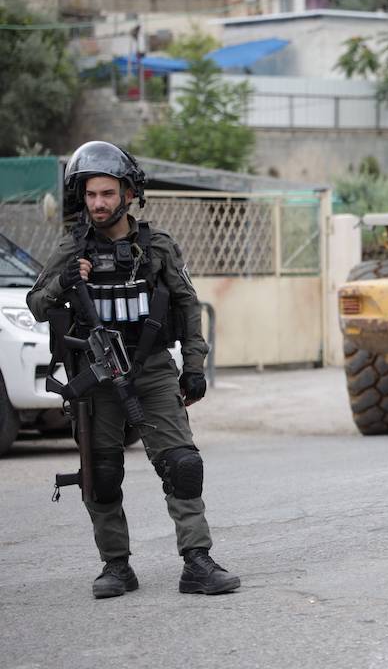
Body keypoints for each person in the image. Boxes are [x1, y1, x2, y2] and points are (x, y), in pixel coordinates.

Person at [27, 141, 240, 598]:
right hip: (97, 376)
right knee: (101, 475)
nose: (99, 203)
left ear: (127, 194)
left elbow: (187, 306)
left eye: (107, 193)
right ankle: (116, 566)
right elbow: (37, 305)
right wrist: (66, 282)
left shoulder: (157, 247)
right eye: (90, 195)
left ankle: (197, 561)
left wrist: (195, 367)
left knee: (182, 464)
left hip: (152, 369)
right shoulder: (72, 250)